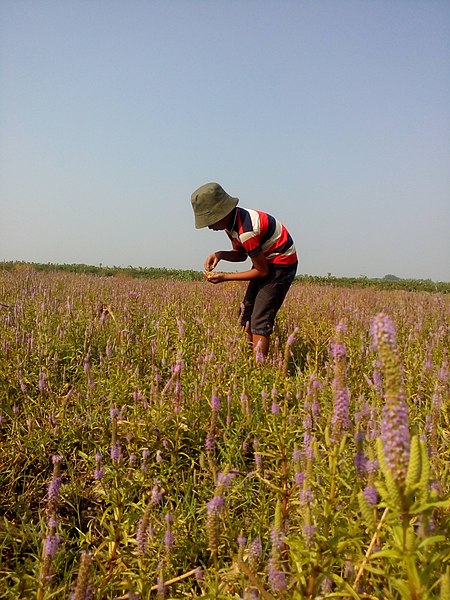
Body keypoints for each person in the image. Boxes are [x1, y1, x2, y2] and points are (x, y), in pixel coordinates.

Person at [191, 182, 298, 358]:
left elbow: (262, 272)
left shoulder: (246, 231)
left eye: (210, 221)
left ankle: (259, 369)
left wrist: (224, 277)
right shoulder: (231, 224)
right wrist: (220, 254)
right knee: (246, 313)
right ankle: (249, 360)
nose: (209, 227)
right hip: (266, 261)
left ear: (222, 212)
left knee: (260, 318)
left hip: (281, 264)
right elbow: (241, 255)